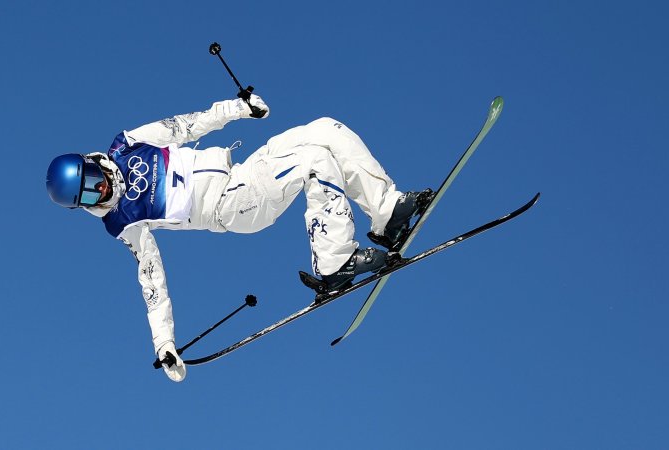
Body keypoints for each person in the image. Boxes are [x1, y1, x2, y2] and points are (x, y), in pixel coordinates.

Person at [46, 95, 431, 382]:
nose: (102, 190)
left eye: (93, 180)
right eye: (90, 196)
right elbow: (150, 278)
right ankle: (334, 262)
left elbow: (184, 126)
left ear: (91, 162)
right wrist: (164, 343)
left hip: (242, 171)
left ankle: (387, 212)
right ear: (82, 206)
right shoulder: (121, 220)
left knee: (326, 130)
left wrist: (237, 108)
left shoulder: (127, 144)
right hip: (231, 205)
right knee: (315, 161)